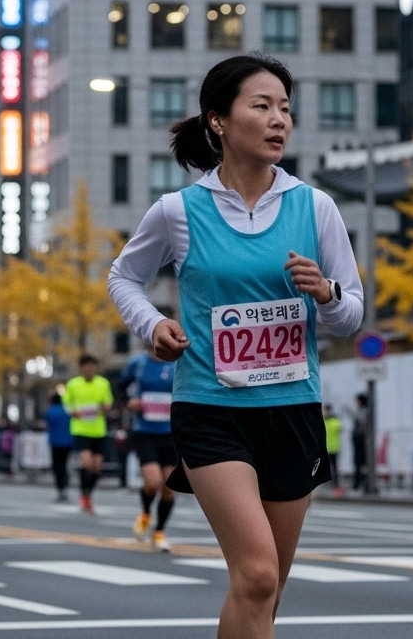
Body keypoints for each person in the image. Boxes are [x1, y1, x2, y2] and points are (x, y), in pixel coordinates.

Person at [108, 53, 363, 639]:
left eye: (285, 109)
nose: (279, 120)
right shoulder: (178, 211)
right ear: (218, 121)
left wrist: (325, 293)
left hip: (293, 412)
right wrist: (152, 325)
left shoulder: (315, 207)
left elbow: (351, 315)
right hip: (210, 411)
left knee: (265, 593)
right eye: (263, 106)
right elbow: (123, 277)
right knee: (254, 574)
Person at [120, 337, 178, 551]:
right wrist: (129, 403)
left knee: (169, 488)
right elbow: (120, 387)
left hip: (170, 433)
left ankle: (159, 532)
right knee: (153, 482)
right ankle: (145, 514)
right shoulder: (137, 363)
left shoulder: (177, 364)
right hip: (144, 431)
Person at [63, 354, 114, 513]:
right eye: (86, 366)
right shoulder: (73, 384)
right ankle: (84, 494)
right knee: (86, 463)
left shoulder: (103, 383)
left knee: (97, 468)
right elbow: (66, 403)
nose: (89, 369)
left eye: (92, 365)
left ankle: (88, 494)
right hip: (81, 429)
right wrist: (73, 412)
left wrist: (106, 407)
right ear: (81, 368)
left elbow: (108, 401)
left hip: (98, 430)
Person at [45, 392, 73, 502]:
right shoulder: (67, 410)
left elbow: (47, 422)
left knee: (57, 466)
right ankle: (65, 486)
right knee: (65, 464)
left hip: (55, 442)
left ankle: (59, 487)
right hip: (68, 441)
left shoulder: (51, 411)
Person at [322, 405, 343, 496]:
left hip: (333, 448)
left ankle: (335, 484)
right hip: (325, 448)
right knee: (325, 469)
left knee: (334, 468)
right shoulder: (324, 421)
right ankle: (328, 483)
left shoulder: (335, 422)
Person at [351, 394, 369, 492]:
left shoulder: (364, 411)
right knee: (358, 462)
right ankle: (359, 481)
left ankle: (361, 482)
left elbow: (361, 424)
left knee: (361, 462)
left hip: (361, 440)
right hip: (358, 440)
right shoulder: (361, 411)